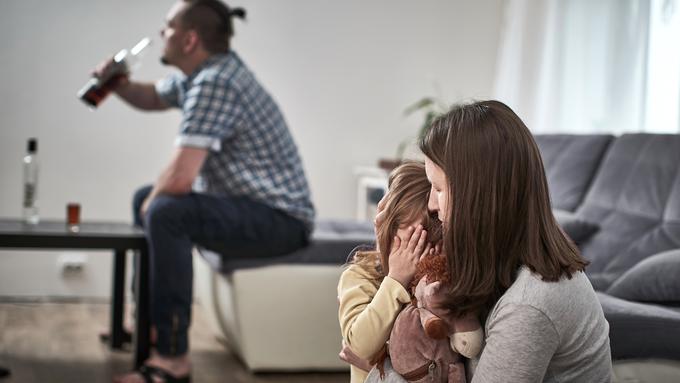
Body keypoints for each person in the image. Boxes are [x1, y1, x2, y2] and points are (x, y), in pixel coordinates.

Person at [95, 1, 315, 381]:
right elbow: (151, 97)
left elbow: (180, 179)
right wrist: (116, 84)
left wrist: (154, 204)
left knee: (164, 210)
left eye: (167, 27)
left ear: (189, 38)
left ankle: (172, 358)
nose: (161, 33)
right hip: (252, 208)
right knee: (148, 200)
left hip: (281, 221)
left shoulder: (216, 82)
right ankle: (151, 323)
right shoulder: (203, 74)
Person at [418, 100, 612, 382]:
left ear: (479, 196)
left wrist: (378, 369)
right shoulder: (497, 265)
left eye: (438, 188)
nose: (431, 205)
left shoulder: (529, 305)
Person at [337, 161, 442, 383]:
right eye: (409, 244)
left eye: (424, 245)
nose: (413, 258)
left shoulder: (440, 286)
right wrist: (395, 280)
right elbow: (360, 346)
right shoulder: (360, 276)